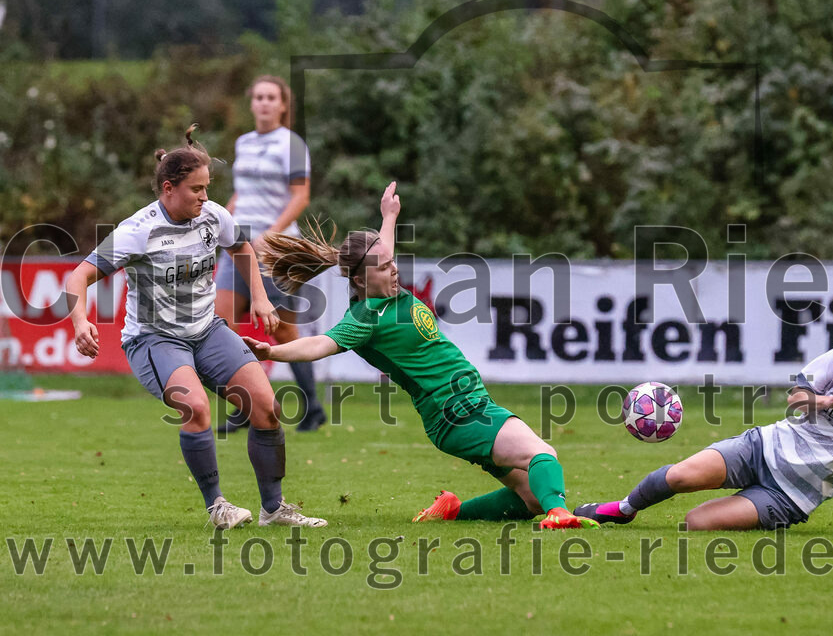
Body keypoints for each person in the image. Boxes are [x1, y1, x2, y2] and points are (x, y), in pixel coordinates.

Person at [243, 182, 599, 530]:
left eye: (391, 261)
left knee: (531, 498)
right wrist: (272, 350)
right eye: (384, 267)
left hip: (470, 405)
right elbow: (318, 344)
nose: (394, 268)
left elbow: (383, 250)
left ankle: (452, 512)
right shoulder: (365, 318)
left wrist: (389, 216)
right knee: (543, 455)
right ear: (363, 281)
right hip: (456, 412)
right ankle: (560, 516)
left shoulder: (386, 286)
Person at [65, 125, 326, 529]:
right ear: (168, 188)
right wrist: (80, 321)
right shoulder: (139, 230)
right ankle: (217, 506)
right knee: (196, 407)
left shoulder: (214, 216)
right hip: (155, 338)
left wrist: (259, 297)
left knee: (267, 407)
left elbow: (241, 247)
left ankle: (273, 510)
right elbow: (77, 277)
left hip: (206, 331)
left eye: (208, 188)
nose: (205, 198)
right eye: (197, 190)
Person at [574, 306, 833, 536]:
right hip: (762, 447)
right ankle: (624, 509)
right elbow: (795, 400)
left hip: (789, 496)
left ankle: (754, 507)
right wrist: (827, 400)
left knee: (694, 523)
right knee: (680, 476)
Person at [215, 75, 326, 433]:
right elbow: (239, 195)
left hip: (273, 249)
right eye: (258, 97)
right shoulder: (243, 142)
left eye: (270, 97)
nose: (263, 103)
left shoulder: (291, 144)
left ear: (282, 105)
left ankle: (312, 406)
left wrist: (272, 234)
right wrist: (218, 222)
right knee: (222, 323)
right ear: (251, 103)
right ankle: (248, 403)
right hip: (238, 245)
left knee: (282, 331)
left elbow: (301, 197)